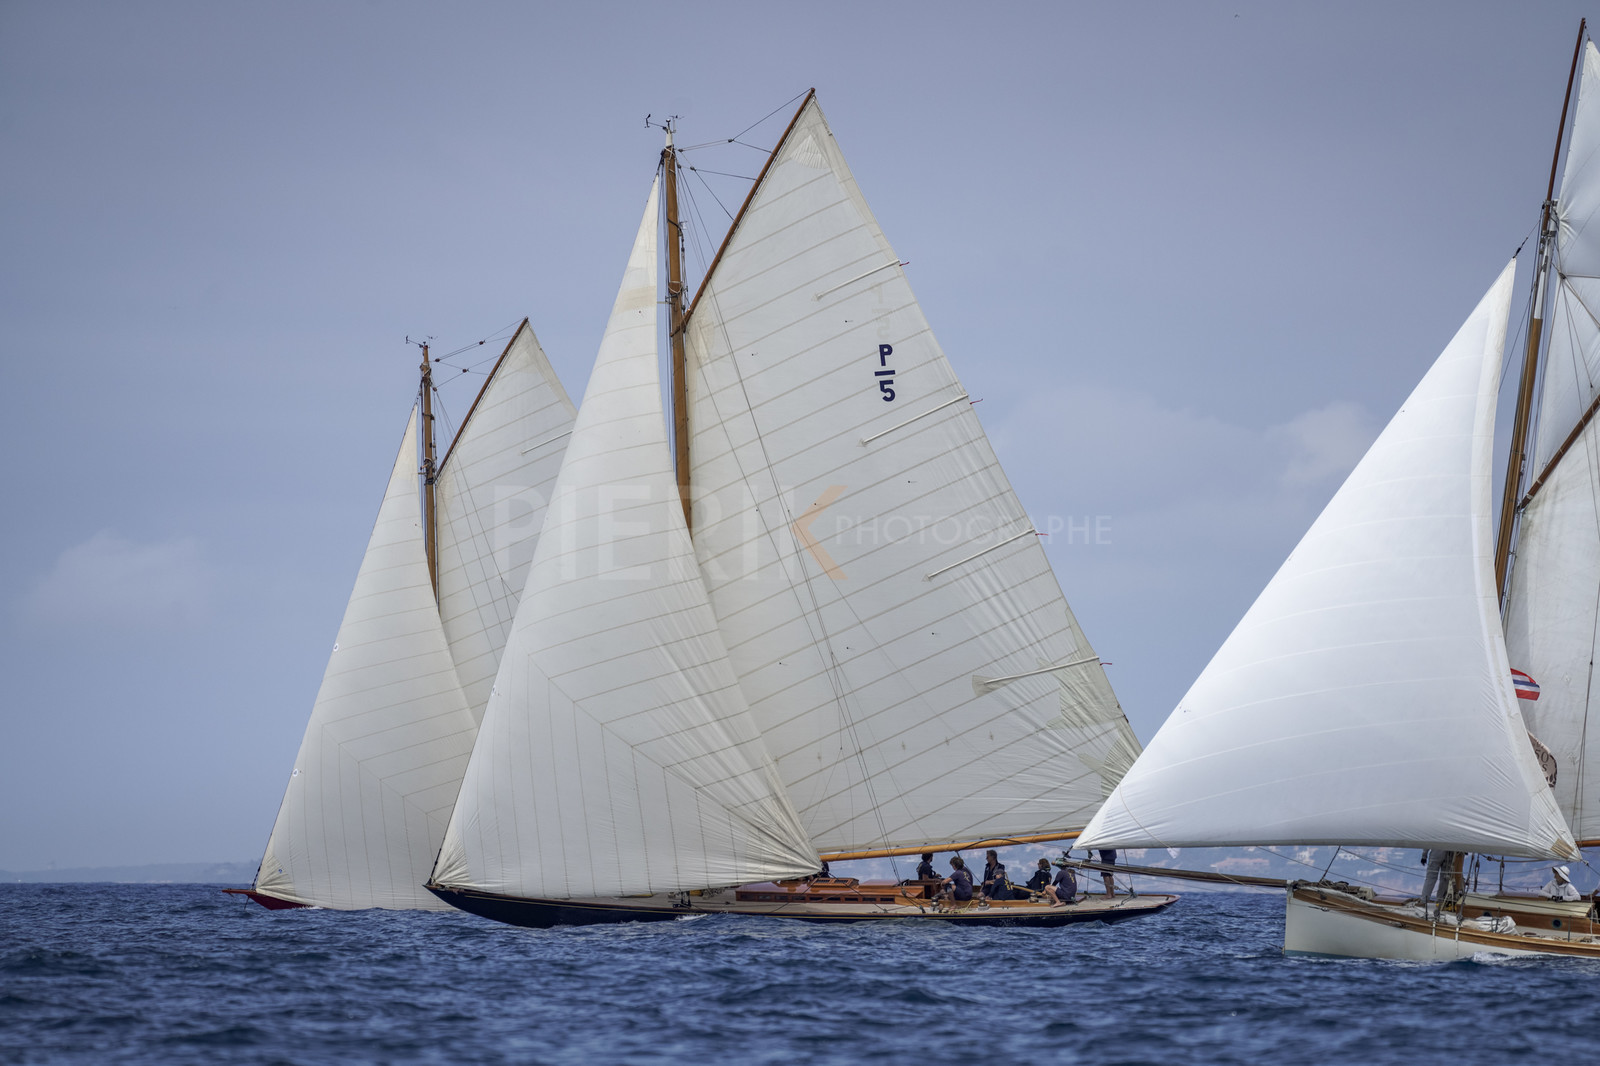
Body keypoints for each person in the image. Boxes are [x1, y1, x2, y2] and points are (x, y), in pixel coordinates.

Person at [1418, 849, 1455, 917]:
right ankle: (1440, 901)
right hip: (1450, 853)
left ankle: (1423, 901)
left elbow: (1429, 841)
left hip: (1437, 852)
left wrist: (1424, 855)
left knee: (1431, 878)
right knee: (1445, 879)